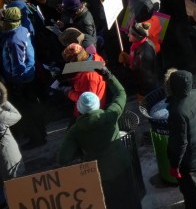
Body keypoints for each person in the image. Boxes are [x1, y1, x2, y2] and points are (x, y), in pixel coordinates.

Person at [58, 64, 138, 209]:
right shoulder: (110, 115)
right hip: (121, 164)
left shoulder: (75, 131)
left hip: (98, 173)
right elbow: (121, 94)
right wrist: (109, 76)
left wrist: (80, 149)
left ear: (80, 109)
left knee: (110, 203)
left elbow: (63, 158)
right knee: (130, 198)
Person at [165, 68, 196, 209]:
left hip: (187, 161)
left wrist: (175, 165)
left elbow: (180, 142)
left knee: (191, 193)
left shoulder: (178, 111)